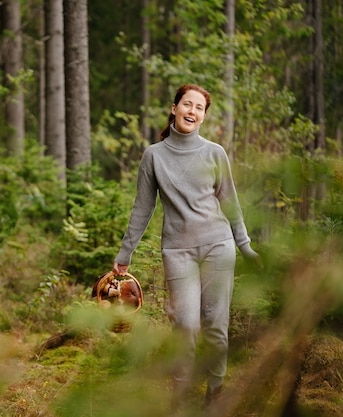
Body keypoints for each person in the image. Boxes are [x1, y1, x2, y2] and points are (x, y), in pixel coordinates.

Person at [112, 83, 262, 409]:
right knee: (186, 326)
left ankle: (214, 395)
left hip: (218, 248)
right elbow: (143, 207)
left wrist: (244, 244)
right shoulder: (154, 156)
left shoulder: (214, 153)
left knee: (215, 325)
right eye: (187, 105)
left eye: (199, 108)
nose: (192, 111)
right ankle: (180, 399)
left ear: (204, 117)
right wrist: (126, 253)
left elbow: (230, 201)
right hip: (177, 251)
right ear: (174, 108)